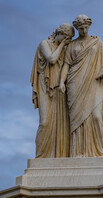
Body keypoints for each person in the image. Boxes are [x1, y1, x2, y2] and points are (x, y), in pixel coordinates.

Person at [59, 15, 103, 157]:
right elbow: (66, 65)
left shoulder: (97, 43)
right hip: (75, 82)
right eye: (80, 28)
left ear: (89, 26)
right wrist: (62, 82)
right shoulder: (71, 46)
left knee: (97, 116)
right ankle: (77, 152)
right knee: (76, 121)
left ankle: (98, 152)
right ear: (76, 28)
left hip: (94, 82)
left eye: (86, 27)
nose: (84, 30)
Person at [30, 23, 75, 158]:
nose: (67, 41)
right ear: (59, 33)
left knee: (60, 124)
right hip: (45, 85)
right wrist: (62, 45)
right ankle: (40, 156)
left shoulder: (65, 49)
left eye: (69, 39)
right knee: (44, 122)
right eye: (66, 37)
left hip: (59, 88)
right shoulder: (44, 44)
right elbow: (52, 59)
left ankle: (58, 155)